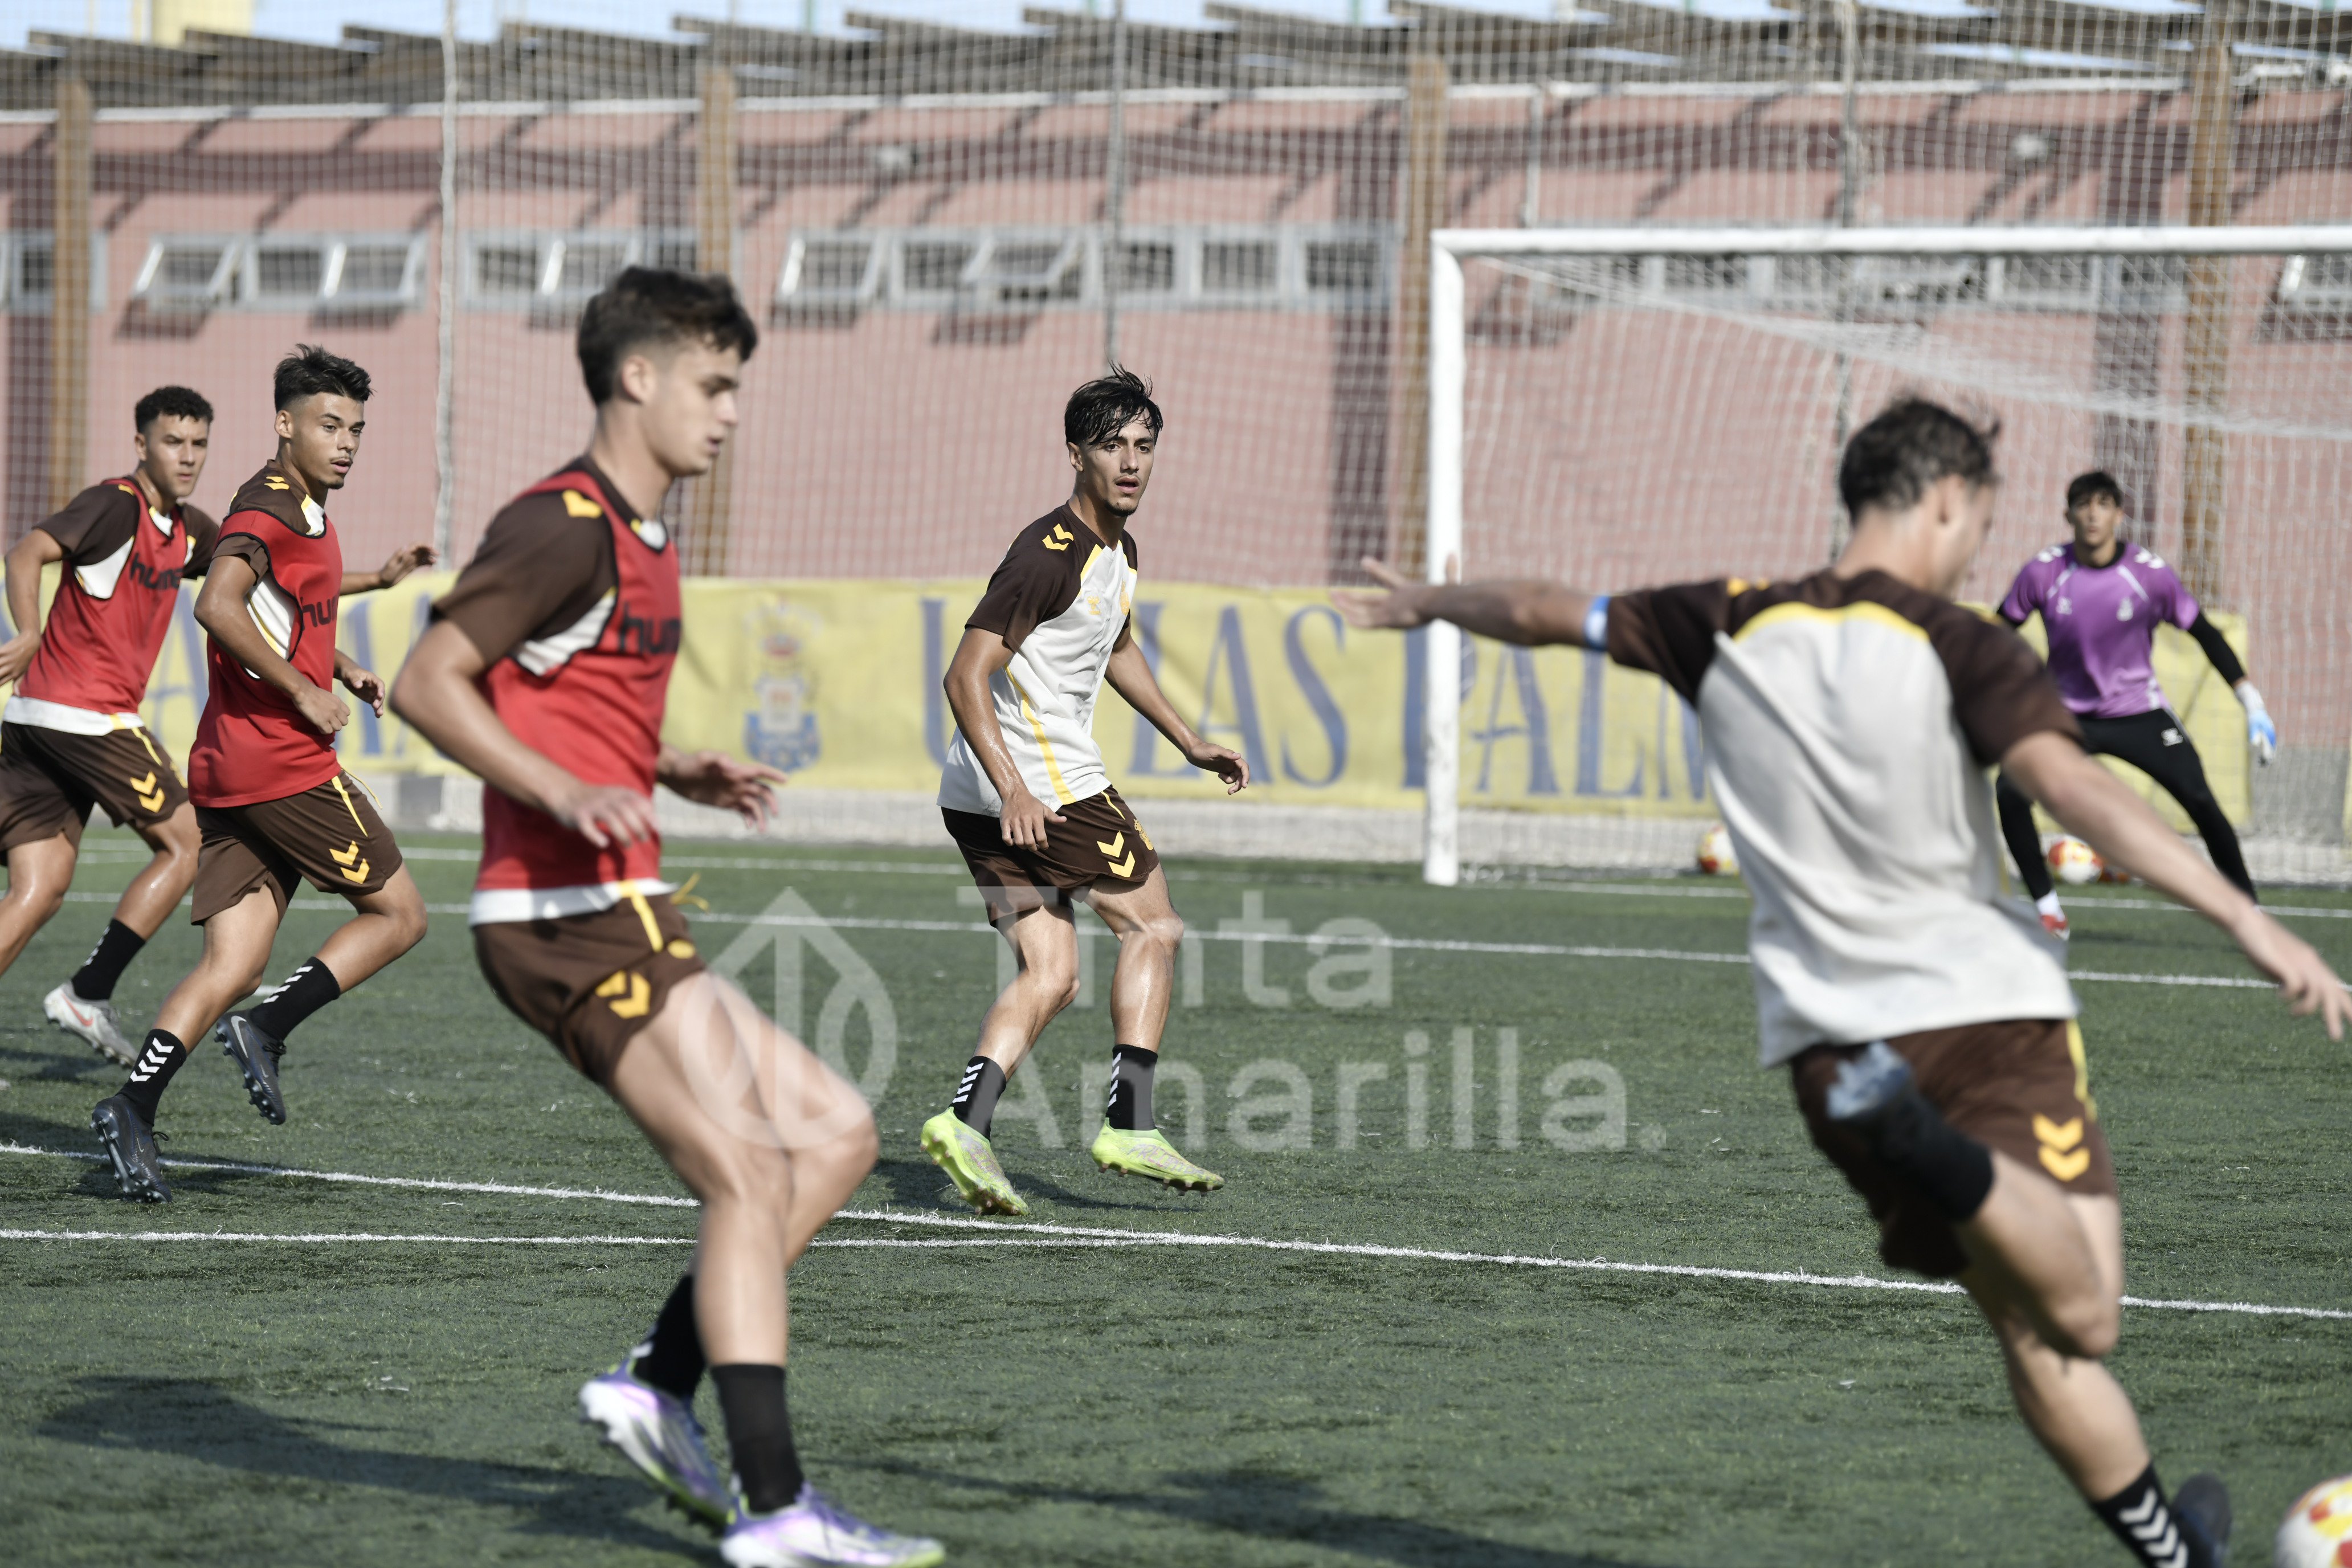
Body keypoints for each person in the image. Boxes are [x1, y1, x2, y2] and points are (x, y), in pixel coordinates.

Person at [1332, 398, 2349, 1568]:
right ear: (1946, 501)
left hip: (1830, 1046)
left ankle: (2177, 1552)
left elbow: (1543, 610)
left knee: (2025, 1329)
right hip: (1988, 1018)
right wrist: (2244, 918)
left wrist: (1427, 602)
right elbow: (2076, 791)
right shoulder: (1955, 639)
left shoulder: (1720, 617)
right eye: (1978, 521)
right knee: (2084, 1313)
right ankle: (1936, 1144)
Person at [390, 267, 941, 1568]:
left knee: (837, 1134)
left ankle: (655, 1379)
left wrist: (667, 766)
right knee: (746, 1172)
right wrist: (554, 786)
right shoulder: (563, 524)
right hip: (558, 920)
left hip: (625, 908)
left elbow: (568, 703)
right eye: (714, 382)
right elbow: (427, 681)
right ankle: (777, 1508)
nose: (730, 411)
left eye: (735, 384)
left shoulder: (643, 537)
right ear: (636, 377)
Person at [90, 346, 436, 1202]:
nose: (347, 441)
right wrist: (301, 692)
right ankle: (270, 1029)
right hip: (282, 766)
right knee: (399, 916)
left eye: (356, 428)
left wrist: (344, 660)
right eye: (329, 425)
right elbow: (216, 602)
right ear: (285, 424)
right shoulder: (268, 503)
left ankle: (132, 1108)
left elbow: (292, 602)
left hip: (231, 770)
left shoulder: (304, 509)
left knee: (232, 962)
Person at [919, 369, 1247, 1219]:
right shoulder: (1047, 554)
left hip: (974, 792)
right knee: (1154, 923)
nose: (1131, 463)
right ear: (1076, 455)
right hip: (1043, 784)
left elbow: (1117, 642)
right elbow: (964, 674)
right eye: (1112, 446)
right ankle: (1130, 1124)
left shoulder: (1118, 552)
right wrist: (1018, 788)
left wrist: (1188, 740)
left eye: (1144, 445)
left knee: (1054, 972)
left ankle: (965, 1127)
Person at [0, 387, 218, 1065]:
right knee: (187, 844)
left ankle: (88, 993)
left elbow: (271, 579)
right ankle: (90, 991)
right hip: (86, 717)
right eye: (172, 442)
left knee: (39, 889)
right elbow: (26, 553)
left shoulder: (187, 529)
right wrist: (31, 631)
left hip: (39, 720)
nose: (187, 456)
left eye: (198, 444)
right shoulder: (114, 503)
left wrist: (378, 580)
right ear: (142, 444)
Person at [1994, 469, 2272, 937]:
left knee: (2201, 799)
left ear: (2120, 515)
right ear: (2068, 515)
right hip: (2063, 716)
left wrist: (2251, 700)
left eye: (2103, 504)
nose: (2093, 514)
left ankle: (2251, 917)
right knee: (2010, 790)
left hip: (2138, 714)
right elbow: (1996, 635)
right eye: (2083, 505)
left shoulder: (2148, 575)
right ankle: (2047, 909)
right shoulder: (2044, 572)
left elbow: (2203, 632)